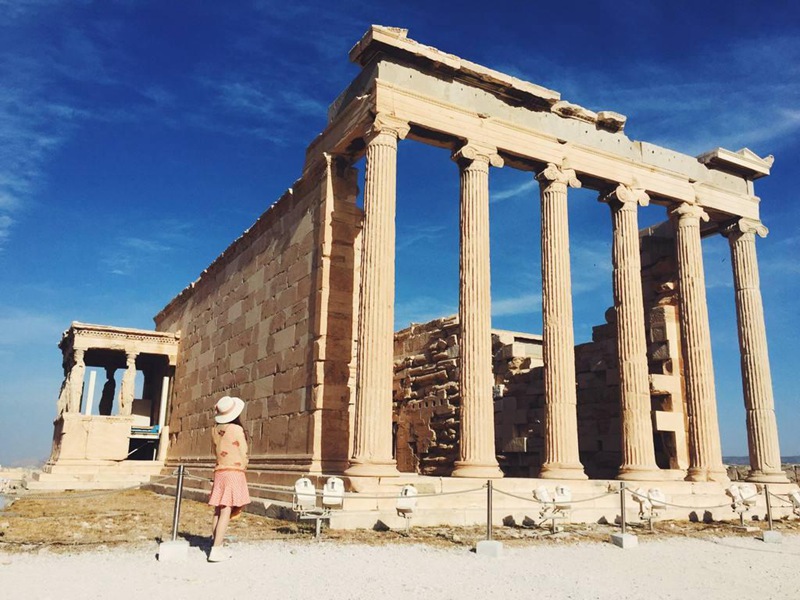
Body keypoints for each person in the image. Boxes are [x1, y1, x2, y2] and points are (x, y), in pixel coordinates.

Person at [207, 395, 250, 562]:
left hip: (220, 470)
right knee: (226, 509)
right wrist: (244, 463)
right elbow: (243, 450)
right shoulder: (236, 429)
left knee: (218, 509)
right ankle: (216, 549)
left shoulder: (214, 430)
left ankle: (216, 543)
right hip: (234, 471)